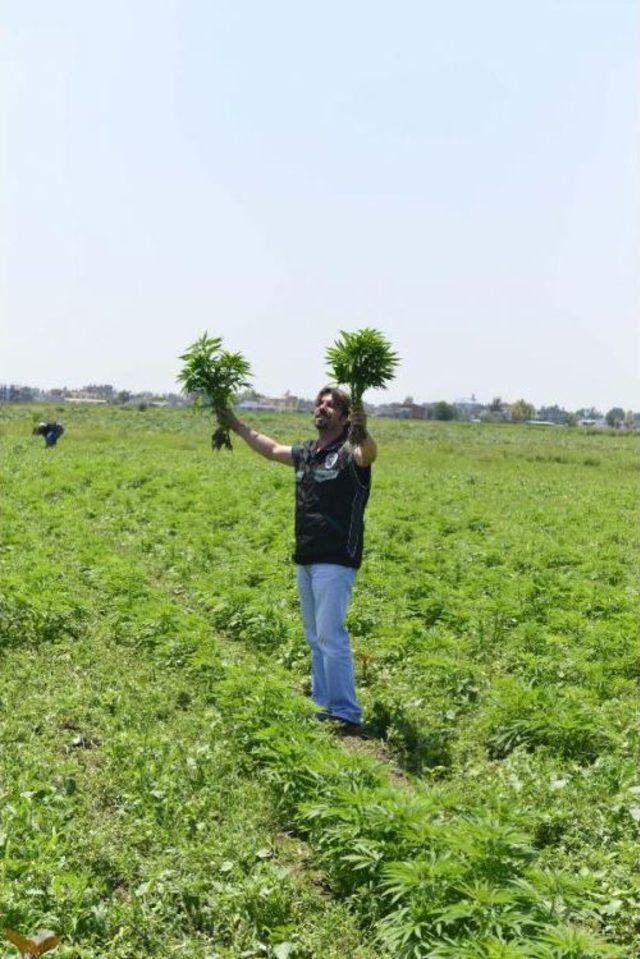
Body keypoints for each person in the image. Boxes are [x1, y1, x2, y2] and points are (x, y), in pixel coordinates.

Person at [221, 388, 377, 733]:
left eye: (332, 404)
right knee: (313, 635)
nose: (323, 407)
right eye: (320, 402)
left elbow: (368, 454)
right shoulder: (307, 452)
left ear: (345, 417)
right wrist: (234, 423)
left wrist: (362, 431)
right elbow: (271, 448)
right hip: (306, 555)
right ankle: (322, 704)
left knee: (330, 634)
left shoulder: (350, 452)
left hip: (336, 559)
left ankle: (347, 713)